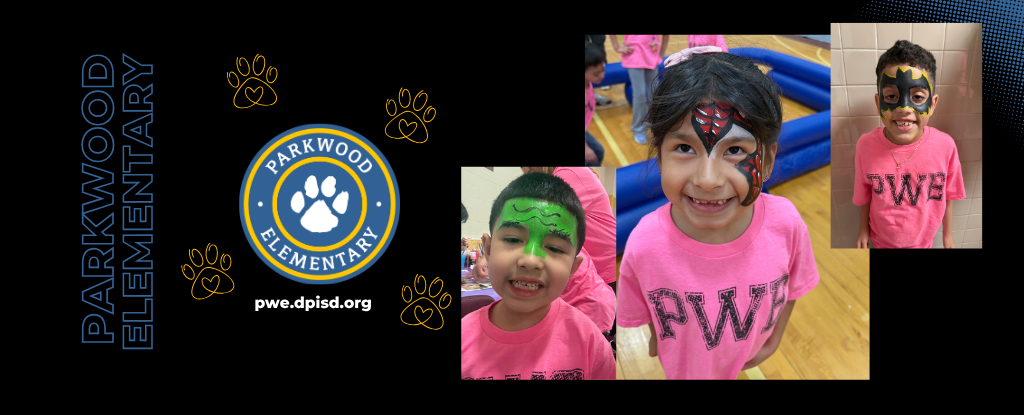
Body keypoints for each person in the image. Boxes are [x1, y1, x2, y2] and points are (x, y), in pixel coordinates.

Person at [616, 47, 819, 379]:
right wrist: (656, 338)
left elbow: (794, 287)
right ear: (659, 156)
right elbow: (649, 308)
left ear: (767, 161)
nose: (707, 180)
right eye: (684, 148)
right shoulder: (644, 243)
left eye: (735, 149)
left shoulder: (786, 223)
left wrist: (774, 339)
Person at [462, 173, 615, 380]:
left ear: (572, 269)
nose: (531, 260)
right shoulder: (464, 338)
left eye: (554, 248)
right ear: (487, 250)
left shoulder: (589, 342)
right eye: (513, 239)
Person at [854, 40, 965, 249]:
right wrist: (863, 229)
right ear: (878, 103)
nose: (904, 108)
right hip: (880, 242)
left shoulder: (946, 147)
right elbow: (865, 194)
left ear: (932, 104)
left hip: (924, 243)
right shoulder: (865, 145)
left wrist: (948, 235)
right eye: (891, 96)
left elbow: (948, 195)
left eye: (917, 97)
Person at [522, 167, 616, 336]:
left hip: (606, 273)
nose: (528, 172)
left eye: (529, 168)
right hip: (596, 278)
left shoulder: (568, 173)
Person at [609, 34, 669, 144]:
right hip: (633, 54)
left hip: (651, 54)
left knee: (654, 93)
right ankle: (639, 129)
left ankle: (656, 126)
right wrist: (616, 47)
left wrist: (661, 53)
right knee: (640, 94)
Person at [585, 41, 607, 166]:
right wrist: (586, 148)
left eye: (603, 70)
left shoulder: (588, 82)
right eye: (596, 74)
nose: (602, 76)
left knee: (598, 152)